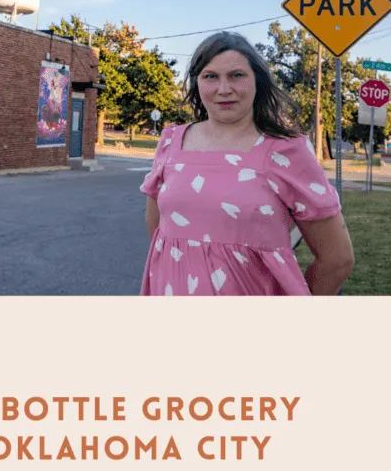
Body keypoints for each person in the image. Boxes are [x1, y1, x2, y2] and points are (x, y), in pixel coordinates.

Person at [140, 32, 354, 296]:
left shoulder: (286, 149)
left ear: (257, 81)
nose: (224, 89)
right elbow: (160, 231)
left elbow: (337, 259)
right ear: (197, 83)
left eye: (236, 75)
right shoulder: (170, 141)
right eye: (210, 76)